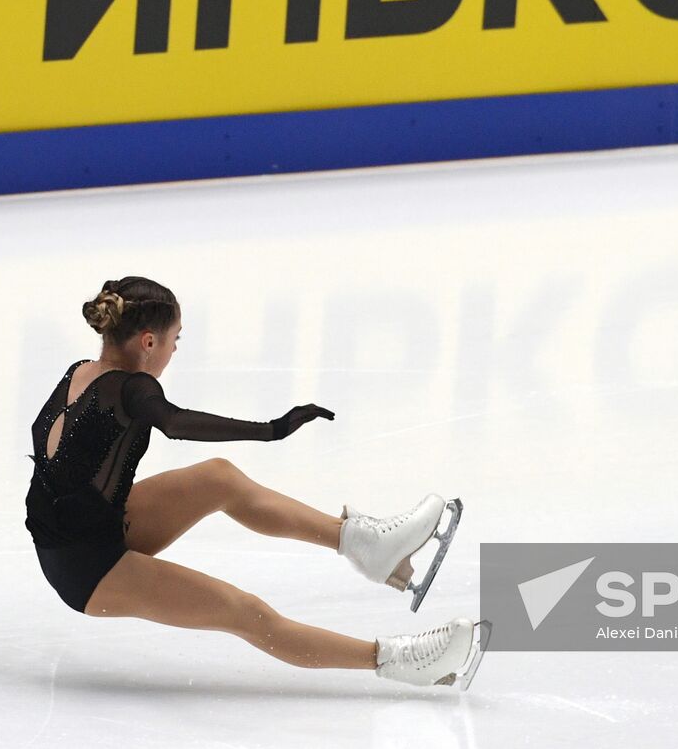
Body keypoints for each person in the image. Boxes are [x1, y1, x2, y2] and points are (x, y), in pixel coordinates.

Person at [24, 275, 487, 687]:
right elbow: (174, 421)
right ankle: (402, 661)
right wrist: (269, 429)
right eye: (174, 340)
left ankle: (366, 545)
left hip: (85, 529)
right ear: (148, 341)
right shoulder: (132, 388)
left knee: (217, 478)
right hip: (87, 569)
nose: (173, 352)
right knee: (247, 613)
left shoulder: (79, 374)